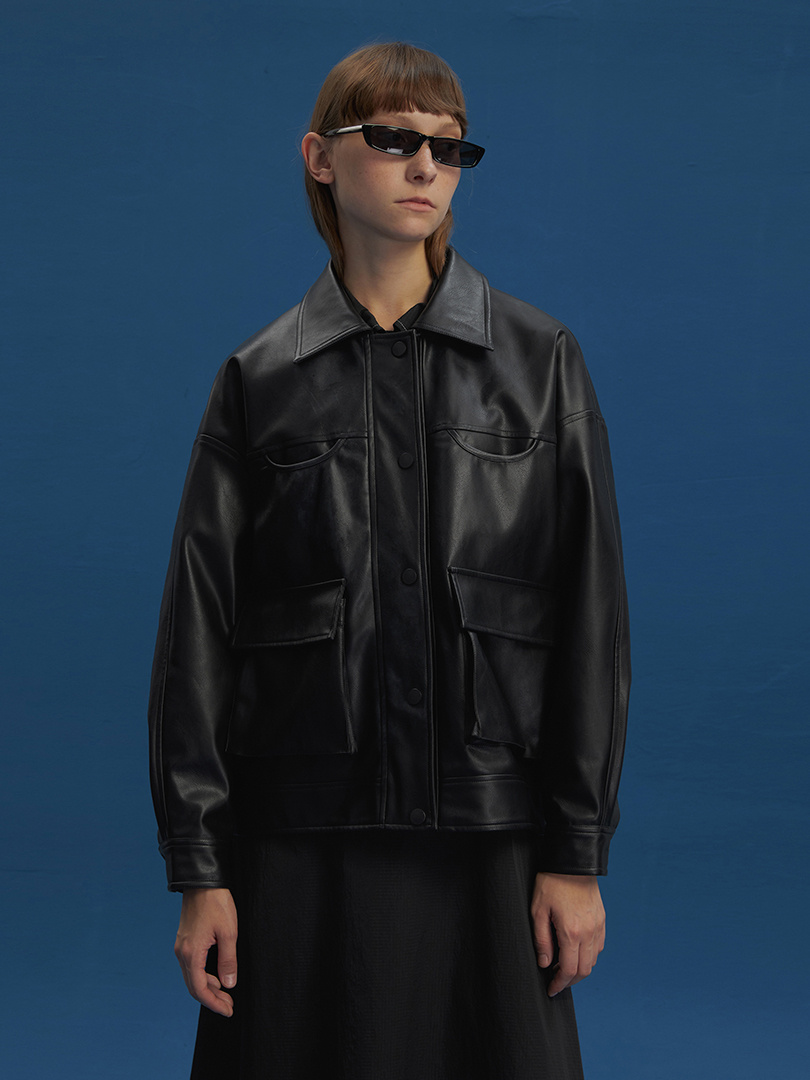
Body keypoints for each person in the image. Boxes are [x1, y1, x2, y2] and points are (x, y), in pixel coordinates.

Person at [149, 41, 630, 1080]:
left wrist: (575, 852)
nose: (425, 167)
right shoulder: (259, 381)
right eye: (394, 139)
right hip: (299, 839)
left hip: (491, 833)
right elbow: (197, 639)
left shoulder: (540, 364)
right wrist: (201, 868)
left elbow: (591, 619)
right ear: (321, 158)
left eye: (448, 149)